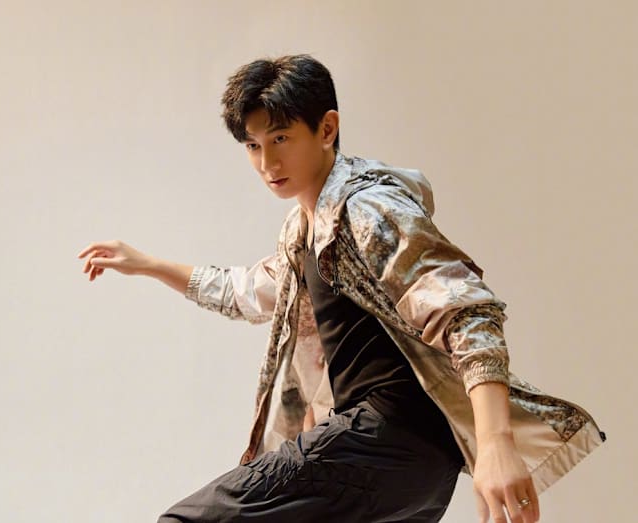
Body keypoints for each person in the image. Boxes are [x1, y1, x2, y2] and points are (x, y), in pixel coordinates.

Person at [77, 55, 605, 523]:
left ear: (327, 128)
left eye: (281, 139)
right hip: (416, 472)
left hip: (385, 438)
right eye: (254, 146)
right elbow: (248, 291)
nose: (267, 163)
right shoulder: (306, 230)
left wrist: (494, 445)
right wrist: (147, 264)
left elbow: (466, 311)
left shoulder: (366, 208)